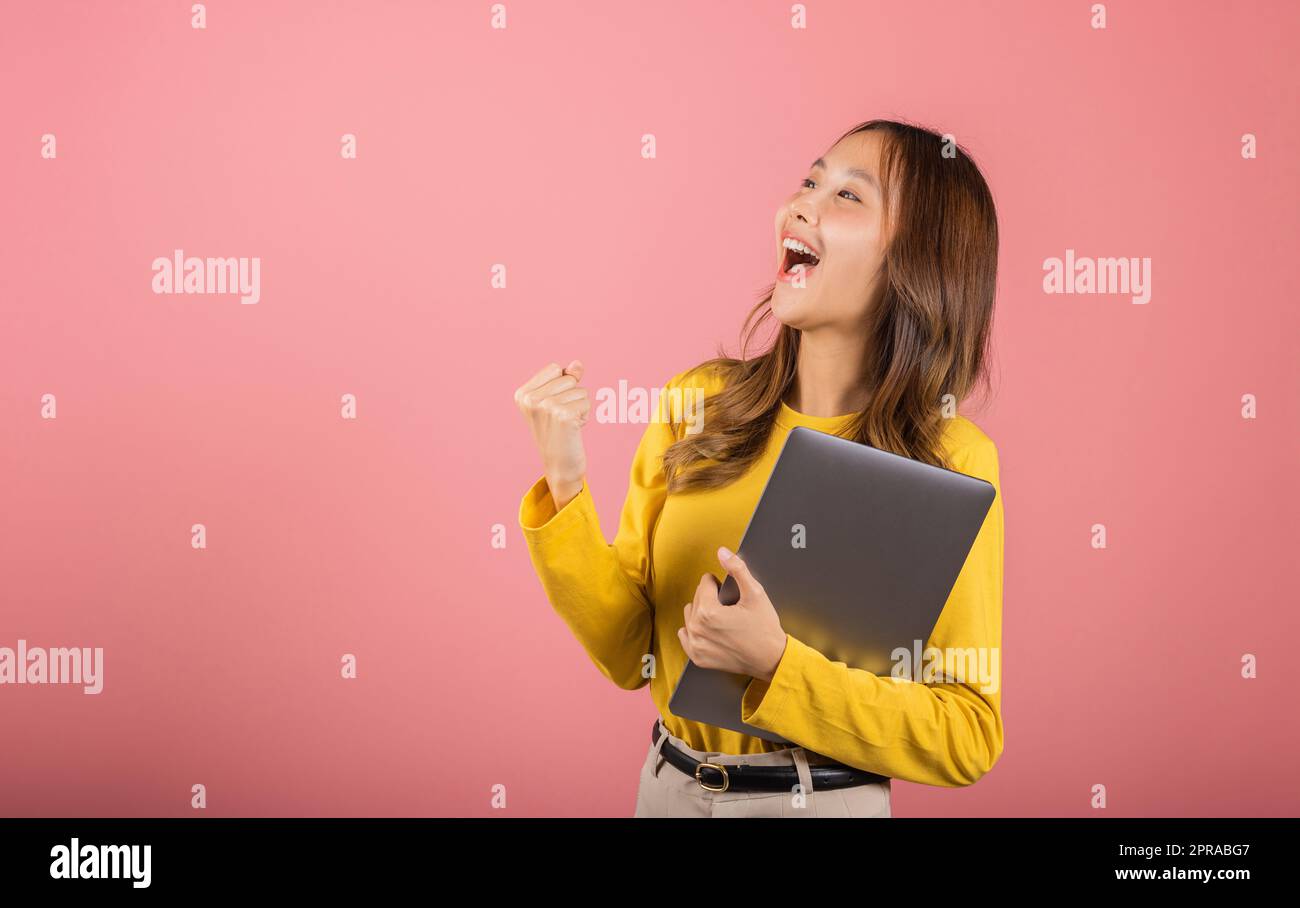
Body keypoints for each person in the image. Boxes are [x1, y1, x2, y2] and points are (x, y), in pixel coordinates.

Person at [513, 118, 1004, 818]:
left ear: (916, 261)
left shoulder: (952, 461)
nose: (801, 203)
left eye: (848, 196)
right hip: (666, 789)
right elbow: (629, 655)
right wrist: (565, 480)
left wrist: (778, 665)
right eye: (810, 180)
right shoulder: (699, 401)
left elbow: (966, 734)